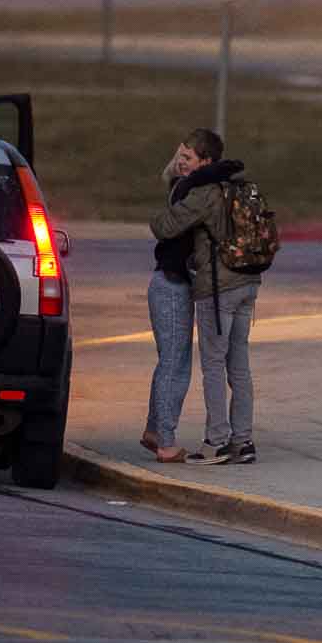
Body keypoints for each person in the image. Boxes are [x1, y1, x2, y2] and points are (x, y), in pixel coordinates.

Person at [148, 128, 259, 466]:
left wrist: (177, 189)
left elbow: (164, 226)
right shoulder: (237, 186)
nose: (182, 163)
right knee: (239, 366)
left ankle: (217, 441)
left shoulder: (204, 191)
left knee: (212, 363)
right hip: (249, 283)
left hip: (218, 289)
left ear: (205, 161)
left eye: (188, 158)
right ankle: (244, 441)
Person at [140, 143, 199, 462]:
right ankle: (165, 441)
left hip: (169, 287)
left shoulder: (182, 190)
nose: (181, 163)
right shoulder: (186, 193)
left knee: (171, 362)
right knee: (175, 366)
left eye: (186, 158)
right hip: (171, 287)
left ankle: (154, 430)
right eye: (179, 157)